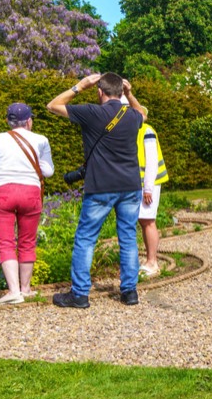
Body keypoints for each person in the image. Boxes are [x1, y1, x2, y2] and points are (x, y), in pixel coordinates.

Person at [46, 73, 146, 308]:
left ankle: (80, 294)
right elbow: (144, 113)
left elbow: (53, 105)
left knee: (86, 238)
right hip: (131, 185)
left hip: (101, 186)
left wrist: (80, 86)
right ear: (121, 92)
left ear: (100, 91)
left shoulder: (92, 112)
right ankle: (129, 292)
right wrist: (130, 94)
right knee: (129, 238)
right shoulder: (132, 116)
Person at [0, 103, 54, 305]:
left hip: (3, 192)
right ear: (29, 120)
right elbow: (48, 172)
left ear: (8, 121)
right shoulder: (41, 140)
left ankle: (13, 291)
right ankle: (26, 289)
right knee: (27, 241)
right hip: (30, 193)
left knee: (6, 242)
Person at [137, 121, 169, 277]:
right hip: (142, 183)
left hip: (149, 184)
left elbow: (151, 161)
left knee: (148, 221)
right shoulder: (135, 129)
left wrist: (148, 188)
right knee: (144, 221)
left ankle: (152, 262)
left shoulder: (146, 131)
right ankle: (150, 261)